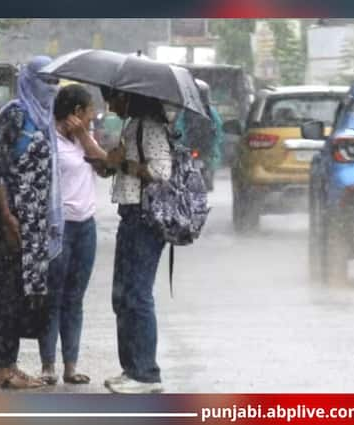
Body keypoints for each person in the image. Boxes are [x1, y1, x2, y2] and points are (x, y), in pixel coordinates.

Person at [0, 56, 64, 389]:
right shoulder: (14, 115)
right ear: (29, 80)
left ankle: (8, 364)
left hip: (34, 225)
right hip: (12, 223)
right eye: (46, 81)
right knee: (7, 294)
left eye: (56, 82)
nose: (52, 88)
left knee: (19, 294)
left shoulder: (41, 119)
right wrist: (6, 215)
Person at [37, 84, 115, 385]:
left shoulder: (85, 139)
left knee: (74, 298)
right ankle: (48, 365)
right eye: (90, 110)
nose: (94, 116)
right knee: (52, 298)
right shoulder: (48, 139)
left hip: (85, 227)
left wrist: (84, 136)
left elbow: (106, 167)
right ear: (77, 112)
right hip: (59, 228)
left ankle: (70, 366)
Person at [99, 87, 171, 394]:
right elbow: (113, 167)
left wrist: (125, 164)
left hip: (145, 220)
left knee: (138, 296)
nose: (110, 106)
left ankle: (145, 374)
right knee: (123, 296)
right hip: (130, 217)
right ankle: (131, 369)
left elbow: (162, 172)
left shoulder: (150, 127)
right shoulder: (132, 125)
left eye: (112, 98)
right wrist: (111, 160)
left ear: (127, 97)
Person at [174, 79, 223, 178]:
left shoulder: (184, 110)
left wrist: (180, 141)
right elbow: (218, 129)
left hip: (188, 147)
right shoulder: (211, 111)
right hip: (206, 148)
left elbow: (178, 128)